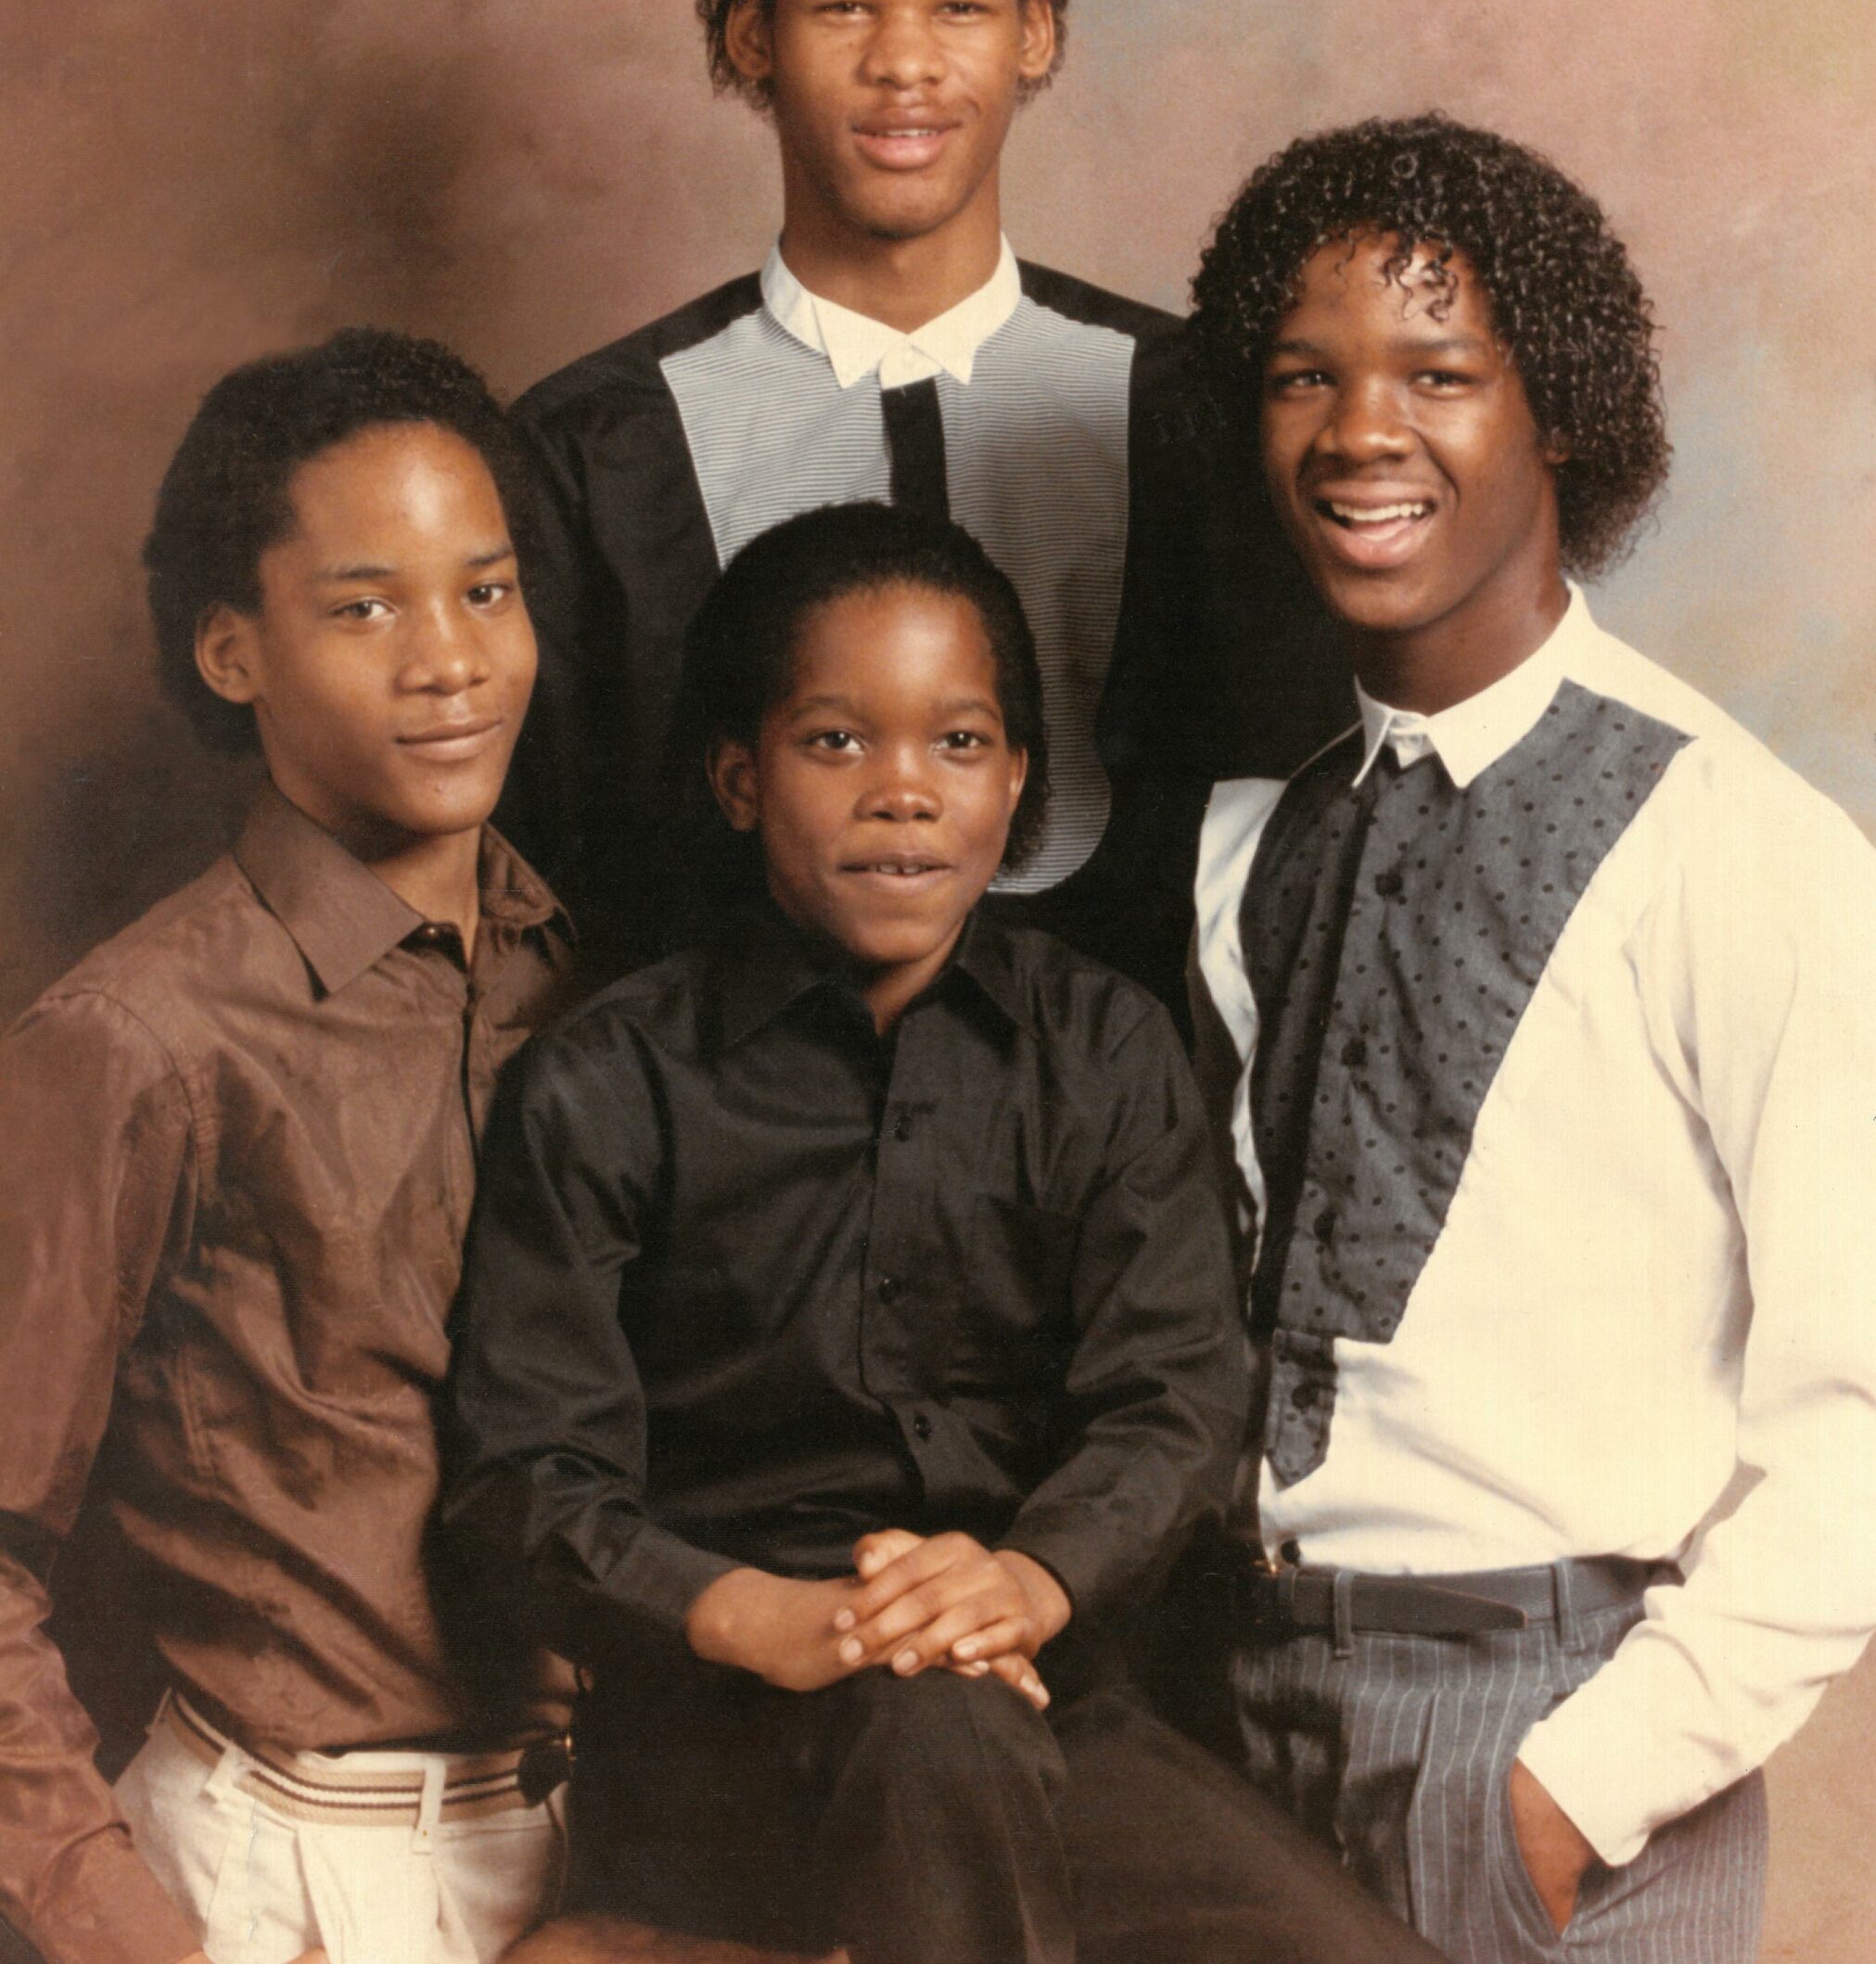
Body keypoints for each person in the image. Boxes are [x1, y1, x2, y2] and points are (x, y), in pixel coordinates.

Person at [444, 502, 1442, 1964]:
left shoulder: (1101, 1050)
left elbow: (1173, 1404)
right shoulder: (608, 1082)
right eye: (837, 742)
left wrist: (1020, 1585)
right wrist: (771, 1620)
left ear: (1021, 780)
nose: (902, 791)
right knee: (929, 1738)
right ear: (739, 777)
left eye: (958, 744)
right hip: (717, 1731)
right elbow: (523, 1484)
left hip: (1033, 1685)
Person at [1182, 113, 1876, 1961]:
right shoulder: (1248, 847)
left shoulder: (1745, 848)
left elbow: (1862, 1416)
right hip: (1236, 1717)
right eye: (1301, 378)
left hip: (1548, 1726)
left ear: (1555, 407)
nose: (1357, 433)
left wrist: (1573, 1791)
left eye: (1437, 373)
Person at [497, 0, 1341, 1009]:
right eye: (845, 8)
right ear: (750, 32)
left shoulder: (1200, 410)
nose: (907, 64)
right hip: (733, 1163)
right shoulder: (590, 450)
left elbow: (1311, 832)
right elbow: (546, 889)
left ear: (1036, 32)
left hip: (1135, 1150)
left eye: (959, 7)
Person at [0, 332, 577, 1964]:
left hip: (586, 1860)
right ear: (233, 652)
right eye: (365, 605)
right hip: (289, 1874)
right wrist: (125, 1934)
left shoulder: (598, 984)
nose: (450, 659)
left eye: (486, 589)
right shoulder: (137, 1043)